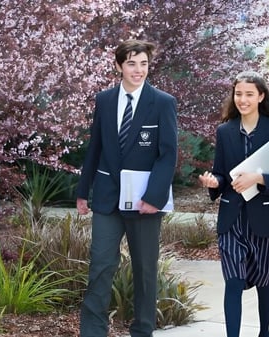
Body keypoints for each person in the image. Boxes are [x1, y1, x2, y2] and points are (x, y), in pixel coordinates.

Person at [75, 39, 178, 337]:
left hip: (145, 202)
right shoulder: (104, 100)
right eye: (132, 63)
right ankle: (93, 332)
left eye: (143, 63)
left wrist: (154, 198)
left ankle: (142, 332)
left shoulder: (162, 102)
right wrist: (84, 190)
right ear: (119, 65)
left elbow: (168, 153)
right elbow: (95, 147)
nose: (139, 69)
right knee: (101, 266)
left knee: (145, 271)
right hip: (107, 198)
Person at [198, 71, 269, 337]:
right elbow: (221, 172)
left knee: (263, 282)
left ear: (261, 96)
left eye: (249, 94)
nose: (242, 99)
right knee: (233, 281)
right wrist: (213, 182)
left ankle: (264, 332)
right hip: (232, 218)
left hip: (265, 217)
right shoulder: (225, 131)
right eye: (238, 94)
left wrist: (258, 178)